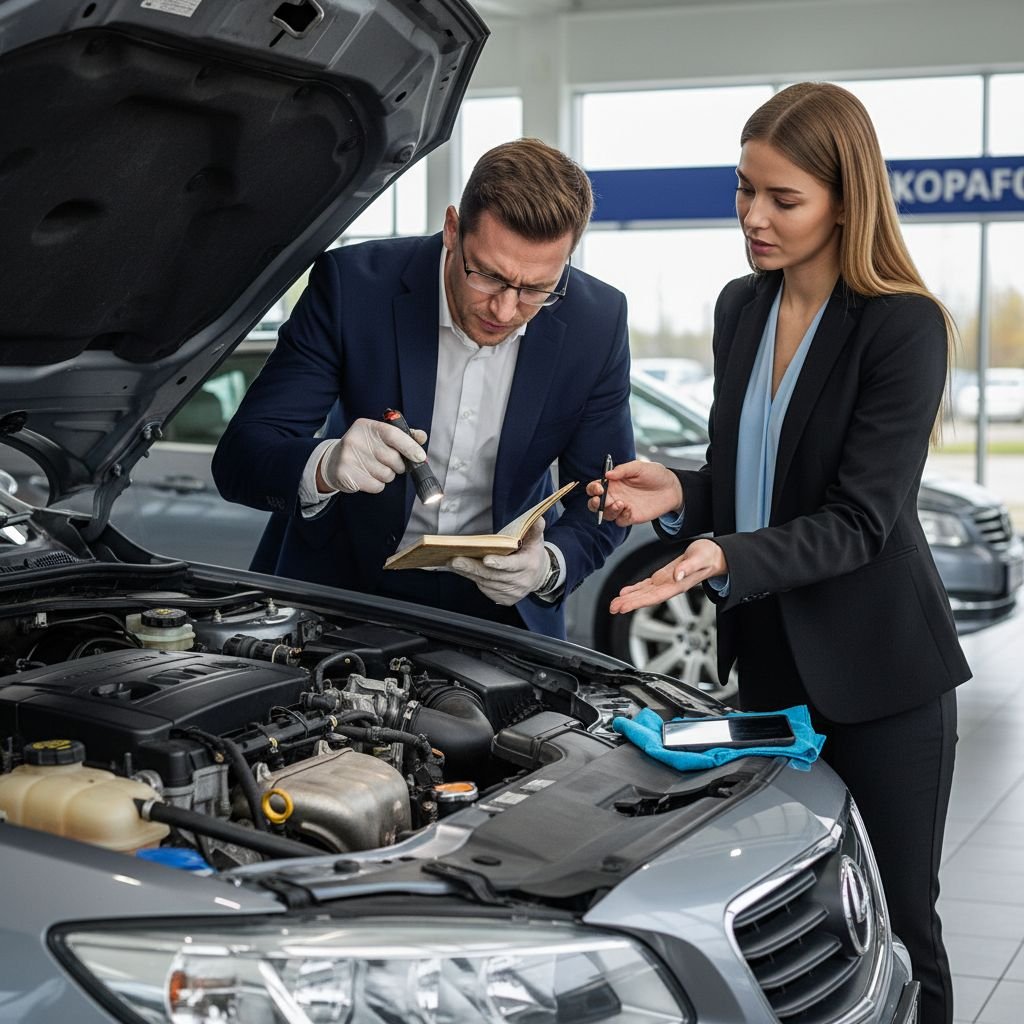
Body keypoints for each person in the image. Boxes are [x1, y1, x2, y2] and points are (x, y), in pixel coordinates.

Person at [587, 83, 969, 1024]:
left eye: (782, 199)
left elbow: (860, 519)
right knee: (789, 919)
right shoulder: (740, 309)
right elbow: (748, 474)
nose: (753, 217)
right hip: (770, 674)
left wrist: (721, 556)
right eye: (743, 191)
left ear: (847, 199)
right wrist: (682, 492)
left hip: (882, 680)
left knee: (898, 927)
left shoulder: (901, 324)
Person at [212, 138, 634, 638]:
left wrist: (549, 564)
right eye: (489, 276)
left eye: (537, 289)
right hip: (338, 596)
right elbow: (241, 457)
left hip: (500, 613)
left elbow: (604, 498)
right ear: (453, 230)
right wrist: (325, 465)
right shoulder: (353, 286)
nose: (505, 310)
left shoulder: (597, 321)